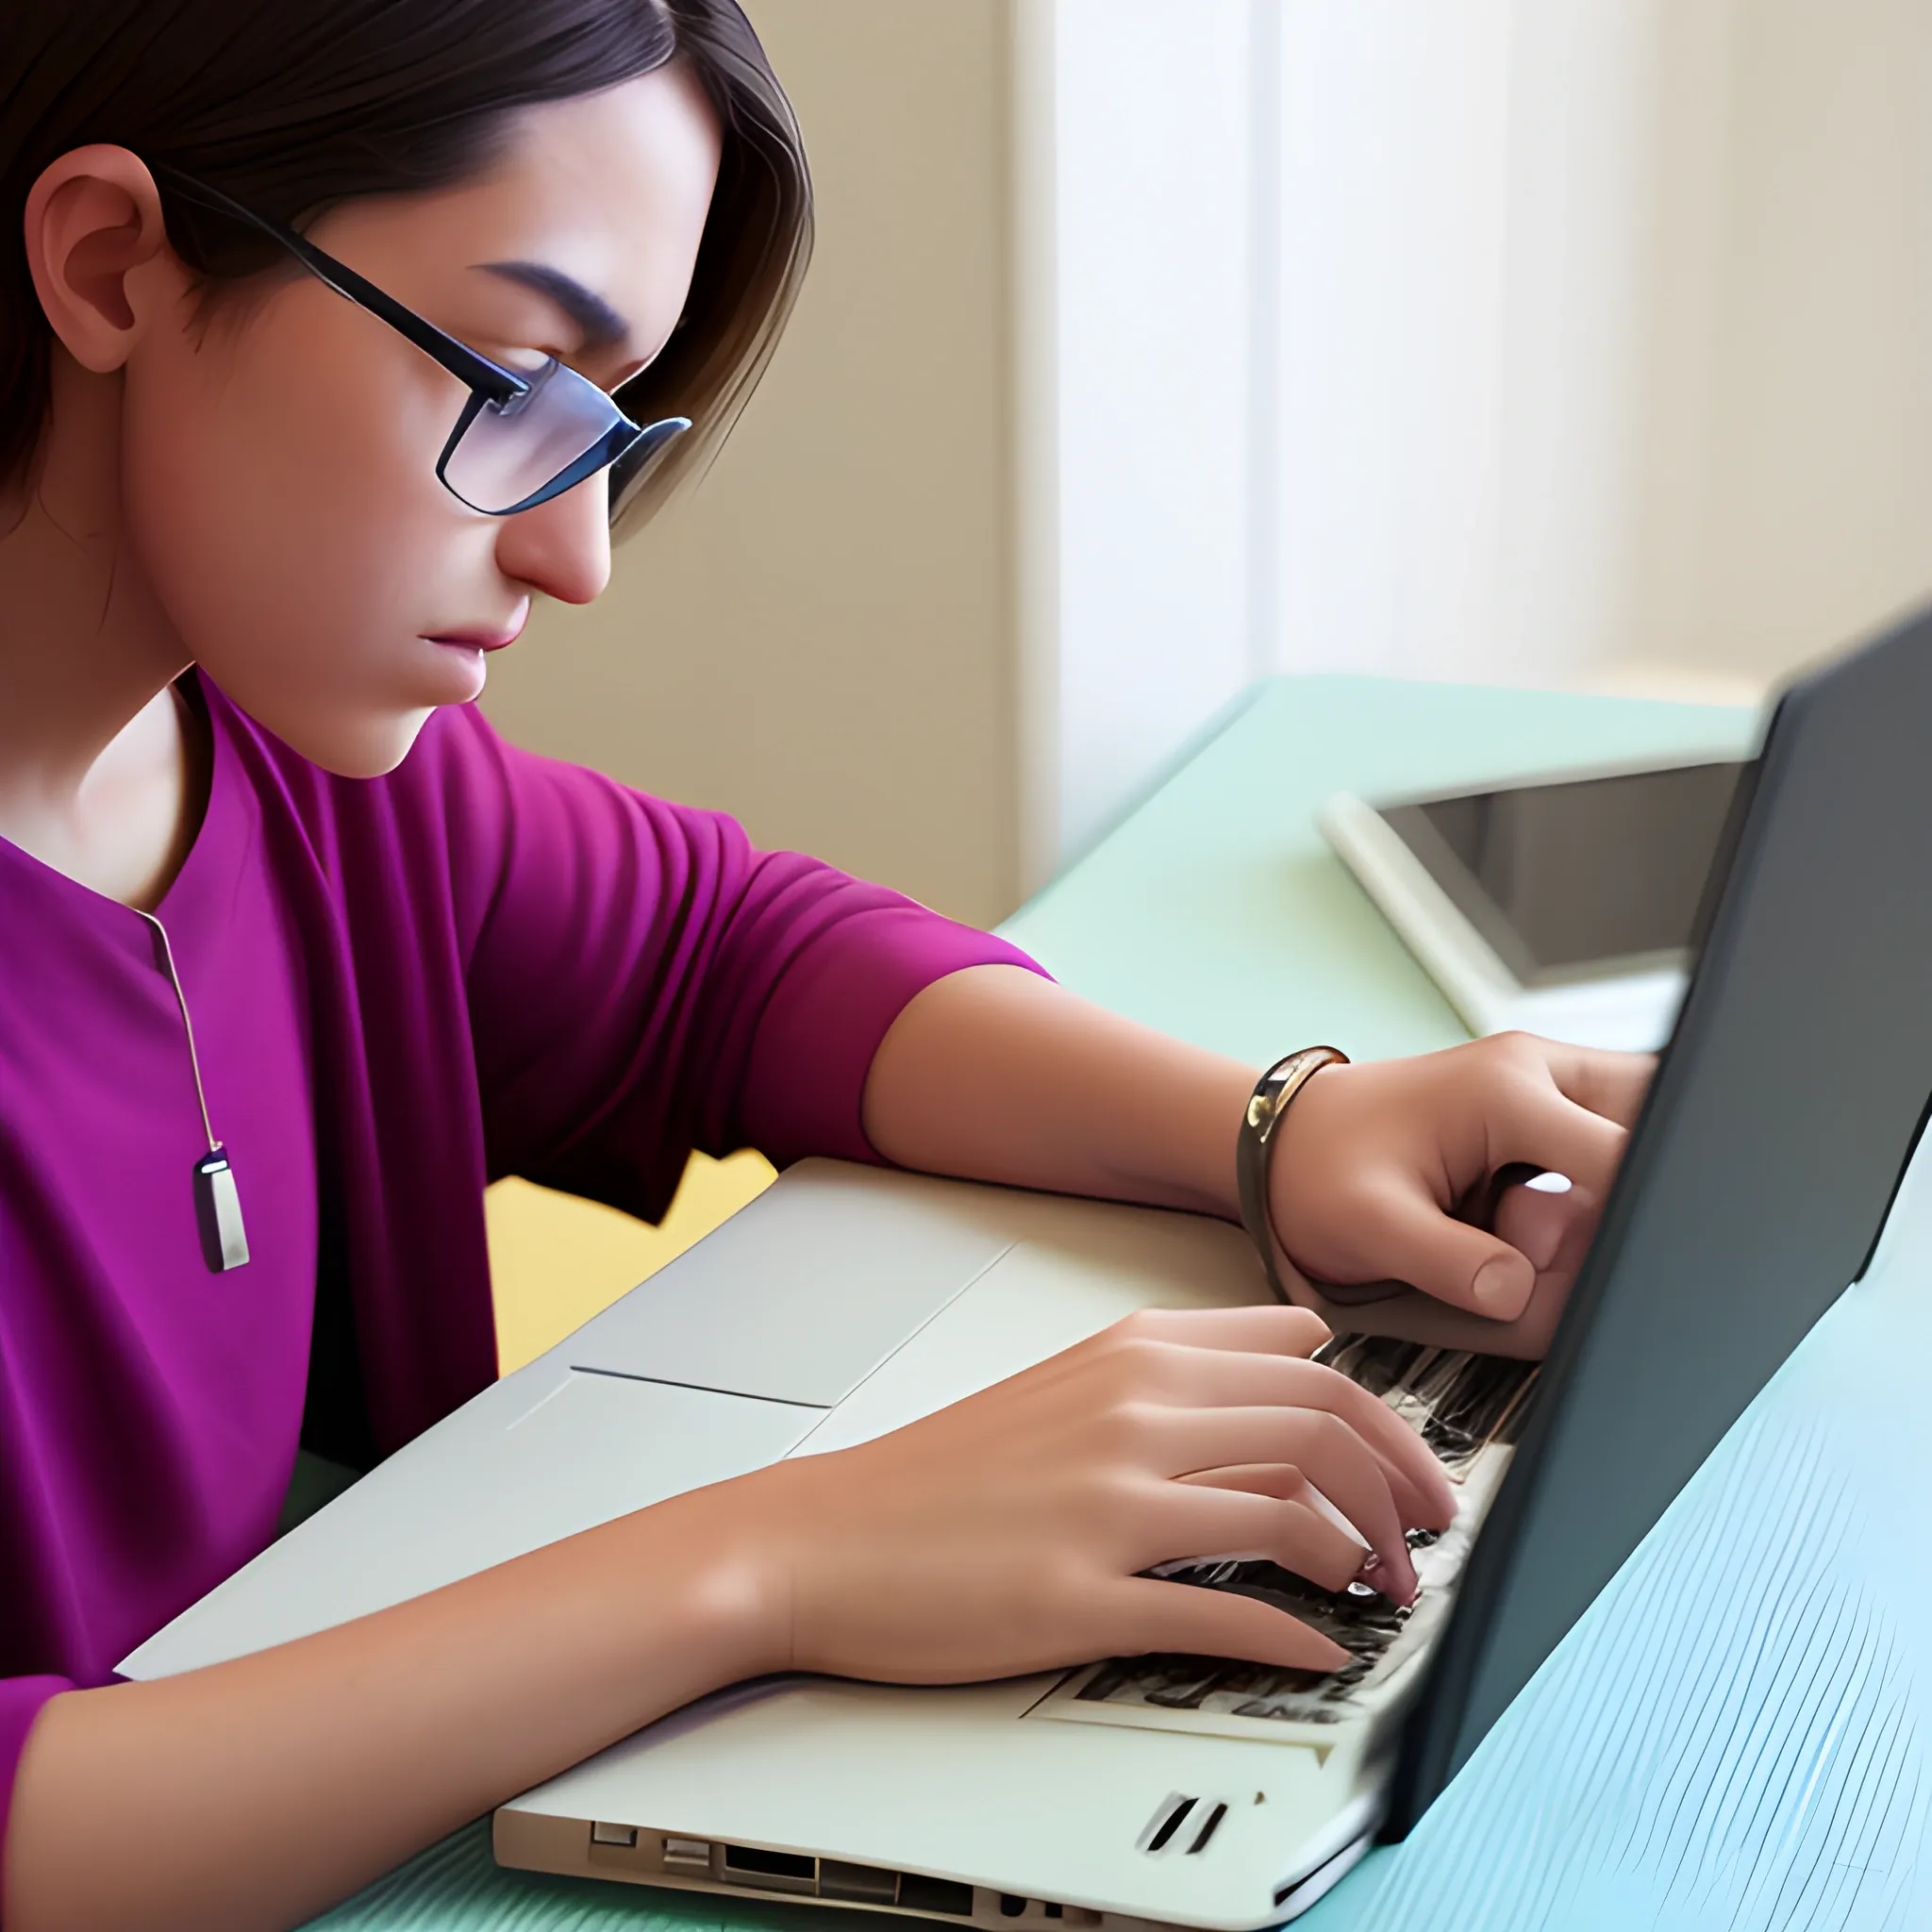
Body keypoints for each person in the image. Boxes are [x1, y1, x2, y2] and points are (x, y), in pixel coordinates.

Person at [0, 5, 1647, 1926]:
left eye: (615, 426)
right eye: (514, 383)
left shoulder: (289, 763)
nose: (578, 555)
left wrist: (1275, 1126)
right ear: (112, 262)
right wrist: (774, 1567)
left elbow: (726, 958)